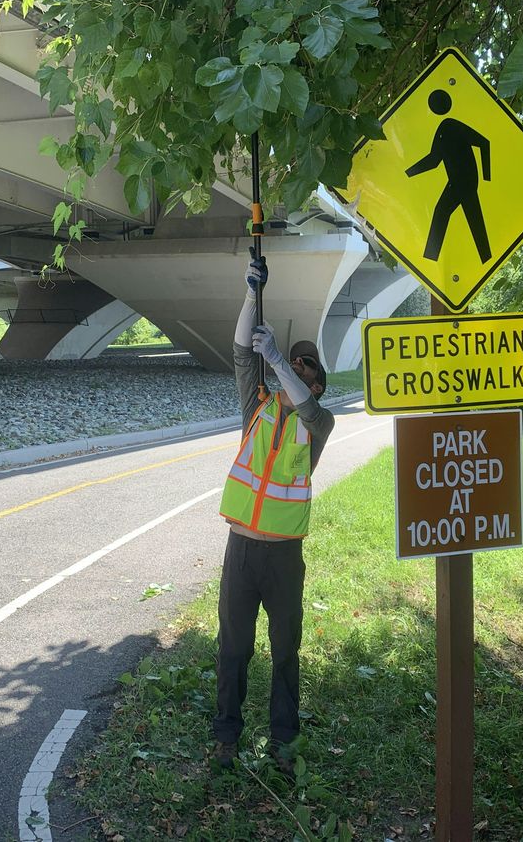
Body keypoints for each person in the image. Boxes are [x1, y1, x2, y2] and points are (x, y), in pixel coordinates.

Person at [212, 247, 335, 775]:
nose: (299, 369)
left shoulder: (319, 424)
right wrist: (250, 293)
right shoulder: (256, 407)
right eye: (296, 361)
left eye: (308, 368)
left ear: (316, 385)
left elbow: (304, 404)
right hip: (241, 552)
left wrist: (282, 360)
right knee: (232, 650)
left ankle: (283, 743)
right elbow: (243, 352)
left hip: (285, 559)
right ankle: (225, 738)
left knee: (285, 652)